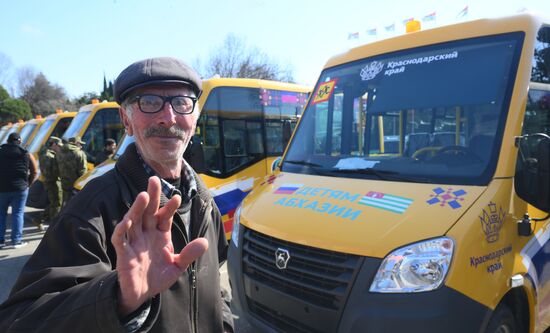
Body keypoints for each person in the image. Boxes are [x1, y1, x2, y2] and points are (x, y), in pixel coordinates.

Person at [0, 57, 234, 332]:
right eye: (149, 102)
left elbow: (217, 287)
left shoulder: (205, 201)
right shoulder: (92, 207)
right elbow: (19, 320)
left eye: (181, 102)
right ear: (126, 120)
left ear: (194, 118)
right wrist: (117, 300)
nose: (168, 117)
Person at [0, 132, 38, 249]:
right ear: (20, 141)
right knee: (18, 213)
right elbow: (35, 172)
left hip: (2, 189)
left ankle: (0, 241)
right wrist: (28, 184)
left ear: (8, 141)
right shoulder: (26, 154)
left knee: (1, 214)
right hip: (20, 189)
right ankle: (16, 241)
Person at [35, 136, 63, 229]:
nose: (59, 147)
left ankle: (40, 219)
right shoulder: (48, 155)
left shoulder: (47, 153)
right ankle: (53, 225)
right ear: (54, 144)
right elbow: (49, 171)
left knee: (54, 203)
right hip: (52, 181)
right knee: (56, 203)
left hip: (51, 181)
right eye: (58, 145)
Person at [56, 135, 87, 206]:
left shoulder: (59, 152)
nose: (81, 146)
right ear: (76, 143)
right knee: (74, 205)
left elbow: (56, 168)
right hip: (75, 185)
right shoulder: (80, 153)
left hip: (63, 183)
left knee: (64, 202)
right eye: (80, 144)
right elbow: (83, 172)